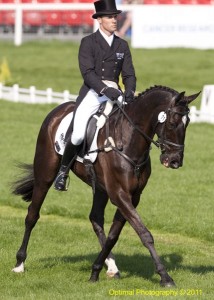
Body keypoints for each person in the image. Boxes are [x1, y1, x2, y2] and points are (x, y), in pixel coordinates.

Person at [54, 0, 136, 191]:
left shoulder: (122, 46)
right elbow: (88, 73)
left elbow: (129, 74)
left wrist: (130, 92)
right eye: (110, 17)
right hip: (94, 92)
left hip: (116, 93)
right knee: (78, 134)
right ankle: (63, 171)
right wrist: (107, 90)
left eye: (116, 17)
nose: (114, 20)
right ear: (100, 20)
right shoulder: (88, 42)